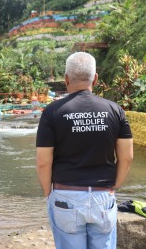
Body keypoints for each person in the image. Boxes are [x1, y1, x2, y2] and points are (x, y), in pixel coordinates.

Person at [36, 52, 133, 249]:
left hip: (65, 195)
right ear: (95, 78)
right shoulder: (115, 110)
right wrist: (114, 186)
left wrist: (49, 193)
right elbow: (127, 157)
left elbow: (43, 162)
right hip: (103, 196)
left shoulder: (52, 112)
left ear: (66, 79)